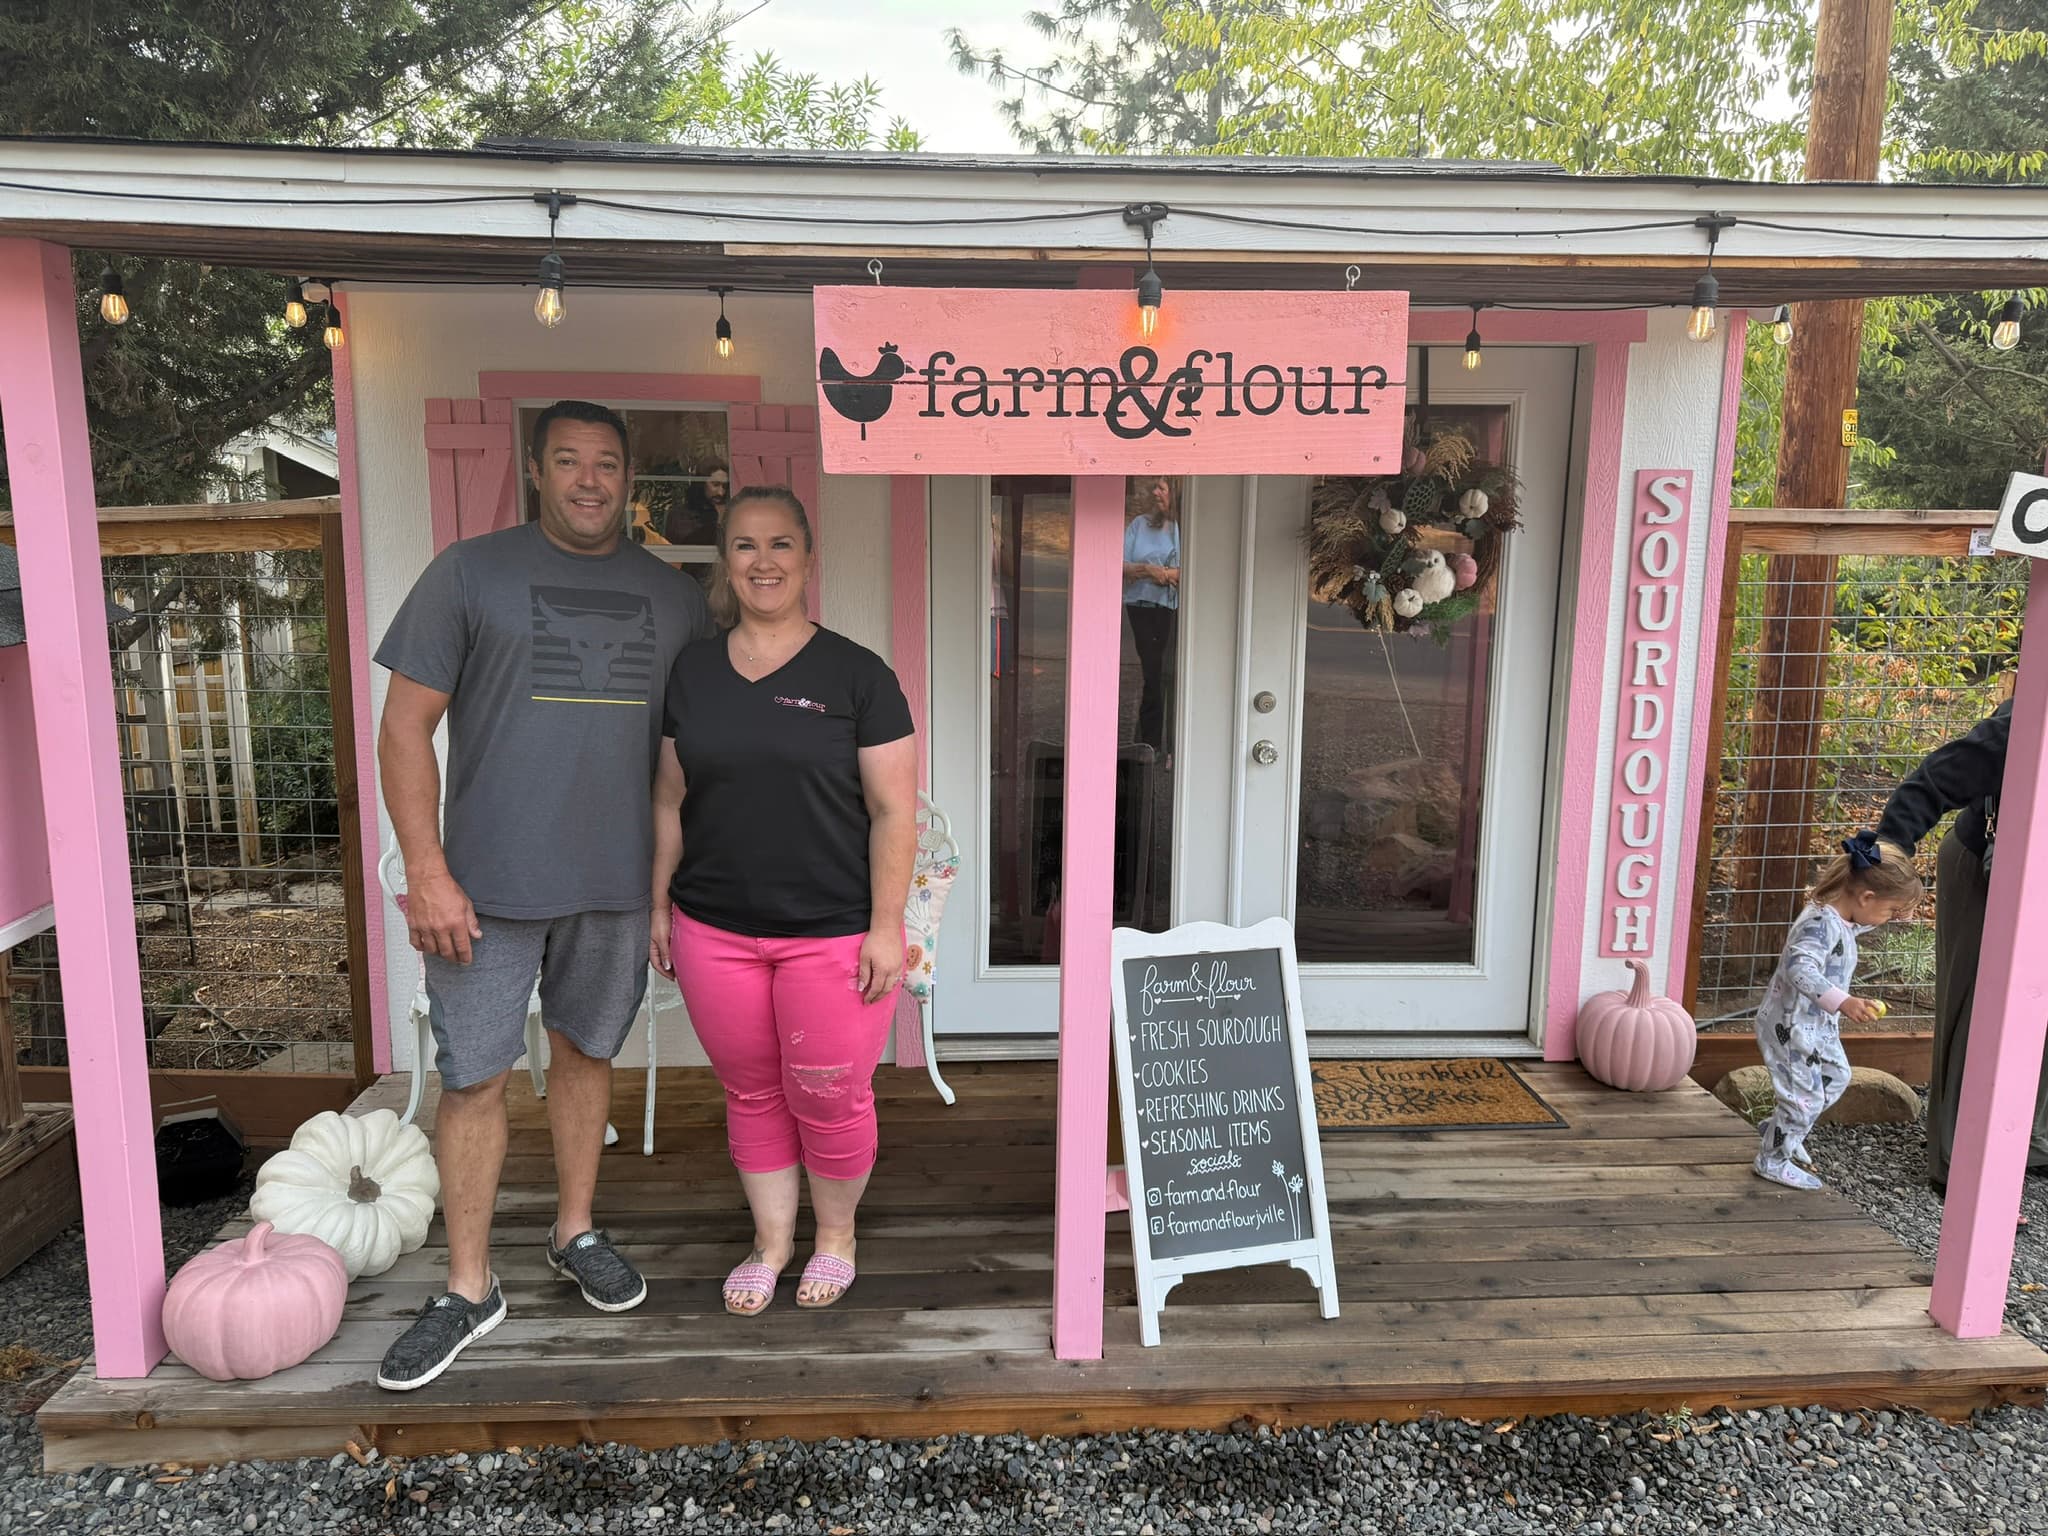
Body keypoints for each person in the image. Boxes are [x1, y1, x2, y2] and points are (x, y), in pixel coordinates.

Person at [372, 399, 715, 1391]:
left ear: (628, 476)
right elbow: (403, 730)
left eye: (606, 463)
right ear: (536, 469)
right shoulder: (467, 574)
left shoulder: (674, 600)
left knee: (585, 1053)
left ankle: (575, 1231)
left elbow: (676, 763)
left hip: (610, 886)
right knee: (473, 1078)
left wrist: (661, 888)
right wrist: (428, 872)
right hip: (480, 887)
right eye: (567, 461)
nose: (588, 479)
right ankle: (470, 1286)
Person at [650, 485, 917, 1315]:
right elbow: (668, 799)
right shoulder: (692, 671)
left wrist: (885, 928)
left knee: (830, 1092)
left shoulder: (858, 675)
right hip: (714, 929)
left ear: (807, 558)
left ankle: (834, 1238)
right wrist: (658, 904)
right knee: (753, 1092)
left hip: (833, 934)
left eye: (779, 545)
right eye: (744, 546)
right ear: (724, 563)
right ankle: (770, 1242)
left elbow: (894, 810)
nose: (762, 562)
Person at [1873, 695, 2048, 1192]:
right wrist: (1886, 855)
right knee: (1979, 1014)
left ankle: (2033, 1141)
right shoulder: (2033, 717)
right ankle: (1963, 1162)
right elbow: (1932, 781)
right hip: (1986, 867)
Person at [1752, 832, 1923, 1191]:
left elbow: (1847, 932)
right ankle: (1772, 1159)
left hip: (1816, 1026)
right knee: (1806, 1097)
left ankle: (1782, 1127)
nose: (1890, 918)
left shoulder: (1840, 918)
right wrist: (1843, 1001)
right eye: (1891, 911)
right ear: (1866, 896)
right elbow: (1800, 969)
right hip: (1791, 1026)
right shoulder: (1819, 923)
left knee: (1836, 1075)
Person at [1122, 476, 1180, 760]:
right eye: (1154, 487)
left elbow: (1194, 568)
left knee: (1166, 674)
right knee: (1152, 673)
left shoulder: (1183, 529)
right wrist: (1147, 570)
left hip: (1170, 609)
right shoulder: (1139, 525)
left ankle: (1165, 742)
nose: (1156, 492)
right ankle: (1150, 742)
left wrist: (1167, 575)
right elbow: (1120, 564)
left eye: (1162, 488)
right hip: (1140, 607)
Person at [663, 461, 730, 547]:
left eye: (724, 487)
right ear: (701, 484)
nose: (721, 493)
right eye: (715, 485)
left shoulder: (727, 513)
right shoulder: (680, 515)